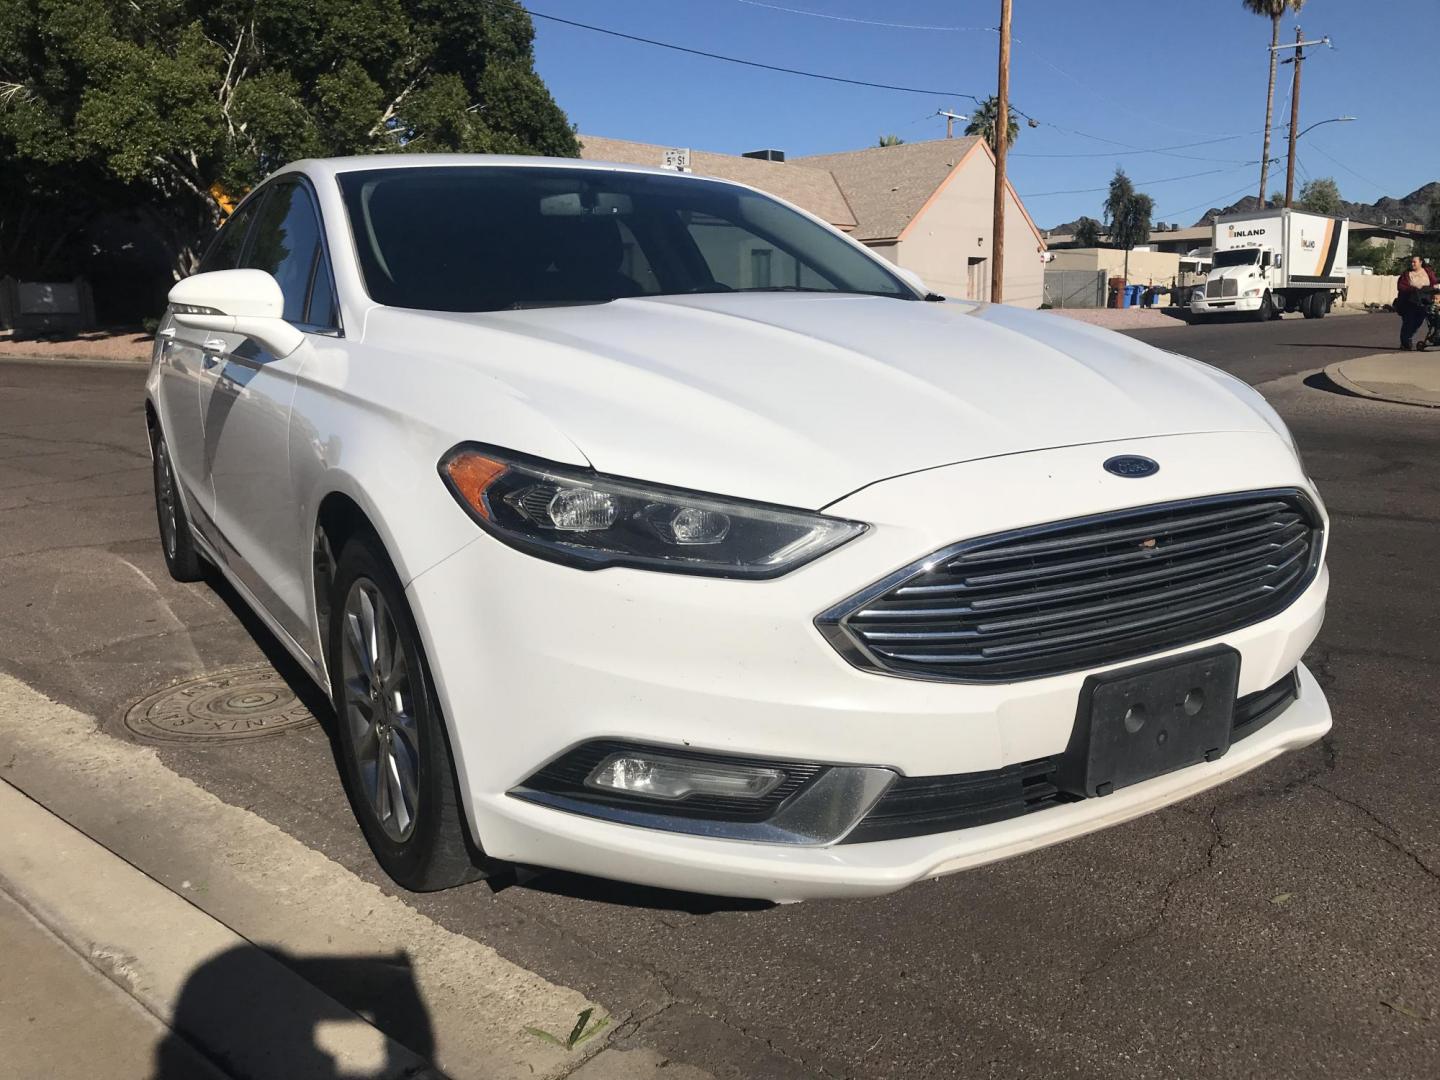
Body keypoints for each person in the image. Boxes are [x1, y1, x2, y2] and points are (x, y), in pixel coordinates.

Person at [1396, 255, 1437, 351]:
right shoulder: (1406, 274)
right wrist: (1414, 289)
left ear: (1421, 262)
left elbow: (1434, 282)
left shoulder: (1428, 272)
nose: (1412, 263)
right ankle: (1405, 343)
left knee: (1419, 321)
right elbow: (1401, 287)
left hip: (1423, 302)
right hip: (1409, 302)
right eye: (1412, 262)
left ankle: (1408, 337)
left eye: (1414, 262)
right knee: (1408, 322)